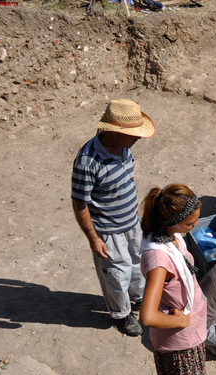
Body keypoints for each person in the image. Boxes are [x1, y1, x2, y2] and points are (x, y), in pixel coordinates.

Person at [71, 99, 155, 337]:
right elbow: (80, 203)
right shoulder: (87, 162)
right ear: (115, 132)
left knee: (139, 263)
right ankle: (122, 313)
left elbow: (126, 181)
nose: (138, 138)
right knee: (117, 274)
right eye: (133, 134)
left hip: (131, 222)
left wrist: (135, 212)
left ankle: (138, 299)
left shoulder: (124, 147)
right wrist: (93, 238)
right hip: (108, 232)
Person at [138, 184, 208, 375]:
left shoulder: (169, 236)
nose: (195, 227)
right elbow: (147, 315)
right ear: (173, 221)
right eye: (190, 224)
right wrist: (180, 322)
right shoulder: (158, 260)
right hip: (179, 346)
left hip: (190, 336)